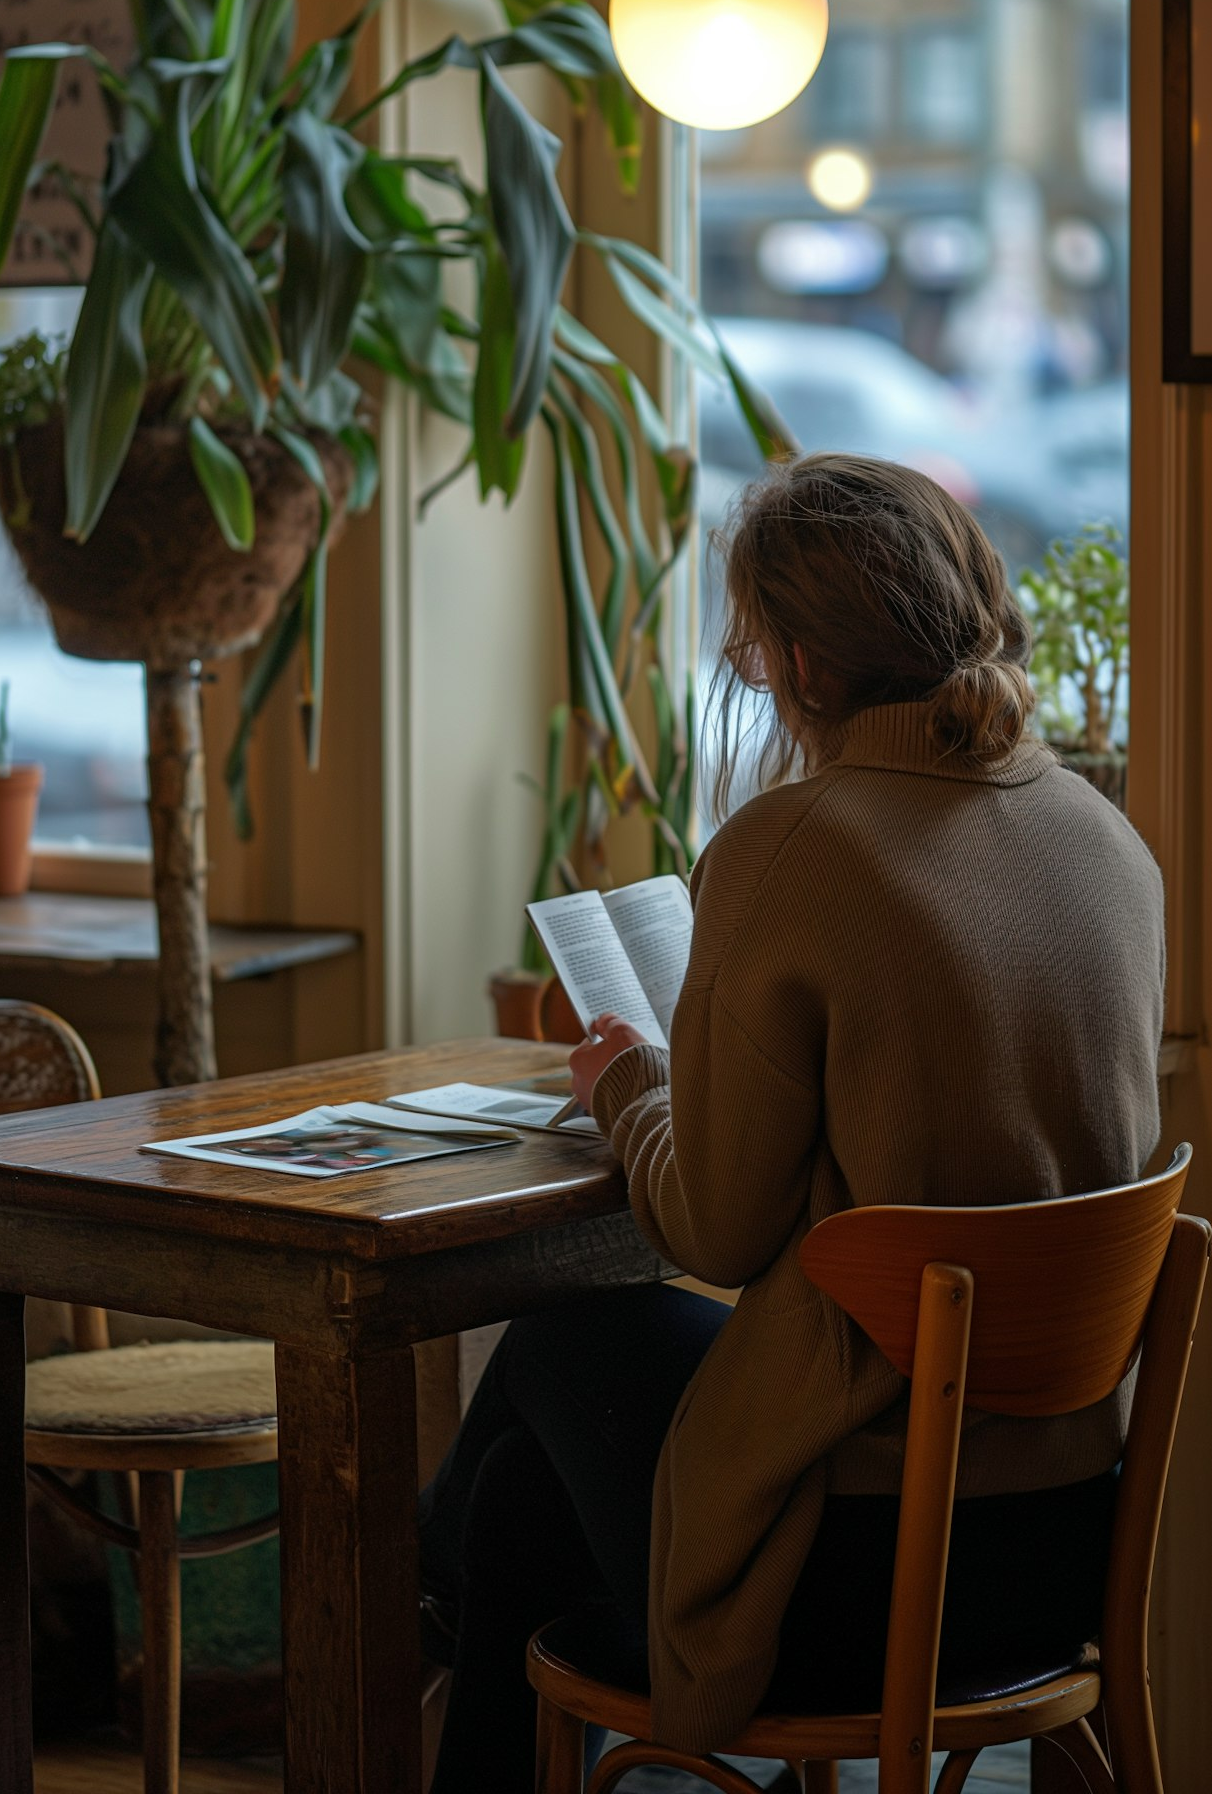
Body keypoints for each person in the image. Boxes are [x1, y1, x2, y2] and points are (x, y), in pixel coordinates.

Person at [419, 456, 1163, 1793]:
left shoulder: (796, 844)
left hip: (867, 1575)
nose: (747, 674)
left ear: (806, 667)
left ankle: (417, 1583)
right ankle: (447, 1592)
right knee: (528, 1504)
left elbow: (716, 1224)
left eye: (749, 649)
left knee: (558, 1338)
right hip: (1059, 1547)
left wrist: (627, 1086)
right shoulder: (1102, 838)